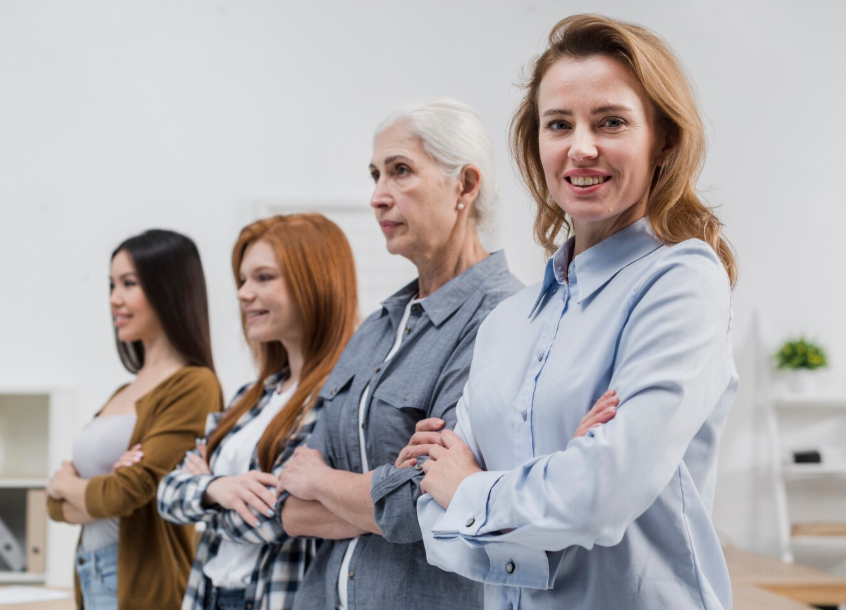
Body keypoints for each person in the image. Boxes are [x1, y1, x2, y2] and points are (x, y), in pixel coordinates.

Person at [415, 14, 740, 610]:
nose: (581, 147)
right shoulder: (506, 324)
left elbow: (598, 496)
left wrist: (474, 491)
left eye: (611, 122)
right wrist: (553, 483)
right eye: (558, 124)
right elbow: (432, 518)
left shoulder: (681, 280)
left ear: (663, 139)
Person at [273, 98, 521, 610]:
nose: (378, 197)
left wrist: (321, 481)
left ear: (465, 186)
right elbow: (290, 504)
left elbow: (432, 501)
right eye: (374, 175)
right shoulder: (378, 325)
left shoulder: (506, 319)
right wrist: (379, 495)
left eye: (400, 171)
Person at [157, 214, 360, 610]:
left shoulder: (339, 398)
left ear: (315, 282)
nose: (243, 293)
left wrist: (206, 493)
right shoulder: (248, 398)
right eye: (243, 280)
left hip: (268, 597)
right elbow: (167, 492)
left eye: (263, 278)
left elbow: (277, 516)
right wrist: (218, 489)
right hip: (207, 593)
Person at [47, 229, 223, 610]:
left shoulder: (194, 384)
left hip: (142, 584)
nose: (115, 299)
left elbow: (127, 493)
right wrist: (96, 491)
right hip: (91, 573)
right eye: (112, 284)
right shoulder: (121, 393)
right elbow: (54, 504)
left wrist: (72, 485)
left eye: (129, 283)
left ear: (168, 288)